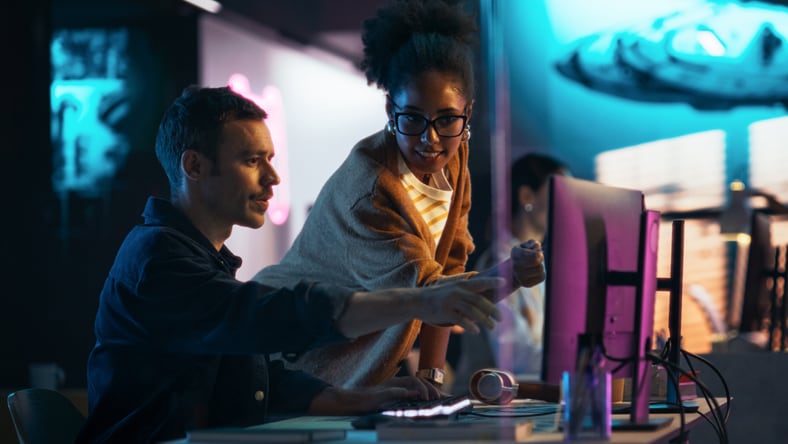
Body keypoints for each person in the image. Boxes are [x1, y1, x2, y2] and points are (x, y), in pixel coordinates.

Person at [76, 85, 506, 443]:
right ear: (194, 165)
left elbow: (258, 377)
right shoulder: (155, 259)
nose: (273, 178)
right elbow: (269, 315)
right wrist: (418, 302)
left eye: (270, 160)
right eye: (251, 161)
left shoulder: (196, 258)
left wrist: (357, 398)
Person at [253, 0, 545, 392]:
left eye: (446, 119)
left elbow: (449, 270)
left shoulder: (453, 159)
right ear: (391, 109)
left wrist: (432, 377)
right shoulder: (370, 189)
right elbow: (431, 294)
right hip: (286, 356)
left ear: (467, 114)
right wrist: (512, 274)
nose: (431, 138)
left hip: (347, 363)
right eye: (413, 119)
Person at [451, 153, 569, 393]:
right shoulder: (499, 264)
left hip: (513, 407)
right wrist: (582, 357)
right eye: (561, 192)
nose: (569, 204)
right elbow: (515, 359)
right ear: (527, 197)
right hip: (480, 414)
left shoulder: (534, 264)